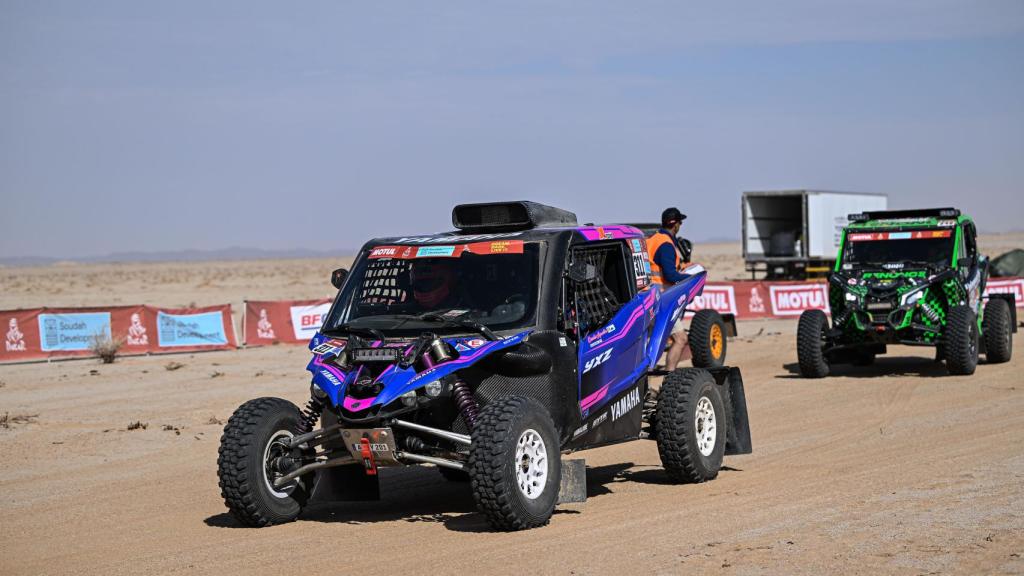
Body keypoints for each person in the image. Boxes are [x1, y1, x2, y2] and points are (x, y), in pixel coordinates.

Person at [646, 207, 691, 371]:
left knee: (650, 344)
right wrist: (690, 279)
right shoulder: (665, 244)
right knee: (680, 338)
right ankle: (669, 378)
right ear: (676, 224)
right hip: (661, 299)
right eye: (680, 222)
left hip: (647, 296)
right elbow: (670, 275)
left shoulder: (652, 240)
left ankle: (647, 388)